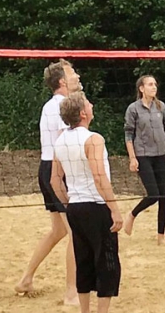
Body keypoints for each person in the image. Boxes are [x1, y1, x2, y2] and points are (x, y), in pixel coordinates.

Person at [51, 92, 123, 313]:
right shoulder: (94, 139)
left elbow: (54, 180)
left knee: (83, 261)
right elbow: (99, 177)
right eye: (89, 103)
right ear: (83, 113)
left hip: (76, 208)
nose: (92, 105)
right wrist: (115, 209)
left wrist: (69, 202)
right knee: (107, 263)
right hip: (97, 206)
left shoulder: (60, 139)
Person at [15, 58, 80, 305]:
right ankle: (72, 292)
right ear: (62, 81)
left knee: (58, 230)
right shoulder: (61, 105)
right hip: (57, 171)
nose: (78, 77)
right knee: (76, 233)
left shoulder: (52, 105)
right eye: (73, 74)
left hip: (47, 168)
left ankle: (26, 279)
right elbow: (65, 141)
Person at [123, 75, 165, 245]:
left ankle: (160, 237)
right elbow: (128, 135)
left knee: (164, 197)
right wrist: (132, 158)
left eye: (155, 84)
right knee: (154, 194)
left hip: (160, 154)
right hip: (143, 155)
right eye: (150, 84)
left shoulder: (160, 106)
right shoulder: (133, 109)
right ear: (141, 88)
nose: (154, 87)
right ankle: (132, 215)